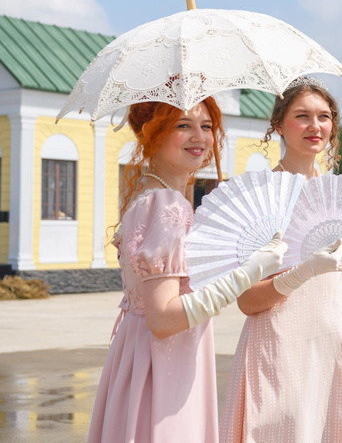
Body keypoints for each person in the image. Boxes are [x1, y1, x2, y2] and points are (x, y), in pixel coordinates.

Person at [88, 98, 287, 443]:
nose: (200, 136)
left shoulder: (149, 194)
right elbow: (163, 319)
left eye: (206, 126)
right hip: (163, 366)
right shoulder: (168, 205)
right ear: (153, 133)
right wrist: (249, 273)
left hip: (141, 357)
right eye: (183, 125)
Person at [219, 77, 342, 443]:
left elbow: (341, 289)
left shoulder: (337, 194)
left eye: (324, 117)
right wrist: (300, 273)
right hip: (279, 348)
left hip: (330, 347)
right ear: (278, 124)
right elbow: (247, 300)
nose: (315, 126)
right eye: (302, 116)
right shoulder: (260, 196)